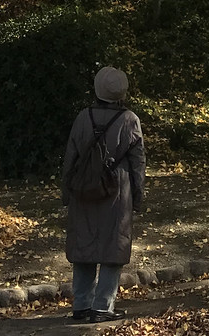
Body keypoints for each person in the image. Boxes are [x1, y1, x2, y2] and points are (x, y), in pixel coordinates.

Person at [61, 66, 146, 323]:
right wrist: (138, 196)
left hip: (84, 187)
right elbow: (138, 162)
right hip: (117, 189)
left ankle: (81, 305)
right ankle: (103, 306)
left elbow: (70, 158)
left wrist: (67, 191)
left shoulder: (82, 117)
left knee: (83, 244)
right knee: (113, 245)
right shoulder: (130, 120)